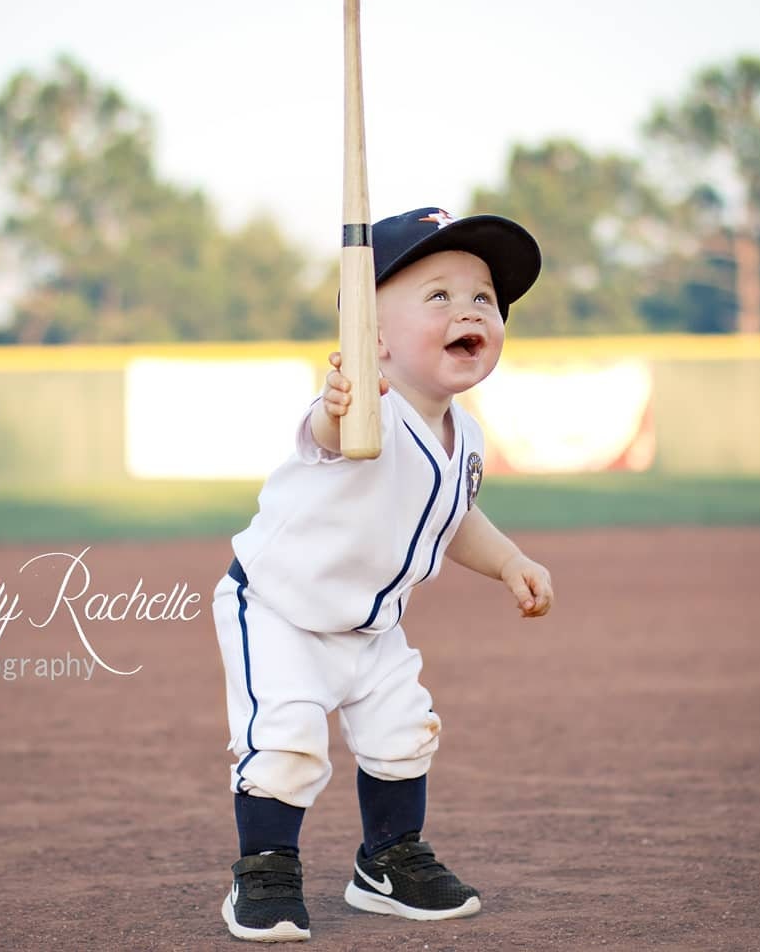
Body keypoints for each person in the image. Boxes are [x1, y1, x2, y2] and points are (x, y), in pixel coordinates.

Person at [213, 206, 554, 942]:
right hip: (281, 611)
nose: (469, 310)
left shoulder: (465, 435)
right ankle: (265, 870)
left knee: (405, 734)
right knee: (287, 743)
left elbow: (454, 517)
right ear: (369, 336)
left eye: (484, 299)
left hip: (372, 623)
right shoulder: (366, 405)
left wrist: (509, 562)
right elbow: (330, 437)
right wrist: (343, 404)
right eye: (438, 296)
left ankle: (387, 862)